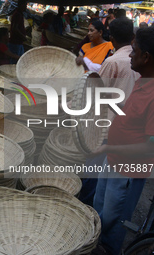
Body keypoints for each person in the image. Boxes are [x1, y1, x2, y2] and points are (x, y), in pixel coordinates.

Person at [91, 26, 154, 255]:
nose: (129, 54)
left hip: (127, 169)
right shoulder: (143, 80)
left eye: (134, 50)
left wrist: (110, 146)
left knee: (114, 221)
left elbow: (150, 145)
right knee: (100, 212)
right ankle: (96, 246)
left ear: (146, 57)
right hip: (113, 159)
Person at [79, 17, 140, 207]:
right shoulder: (140, 58)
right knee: (110, 184)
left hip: (106, 127)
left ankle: (84, 210)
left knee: (93, 173)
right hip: (128, 130)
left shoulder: (113, 62)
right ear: (132, 36)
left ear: (111, 37)